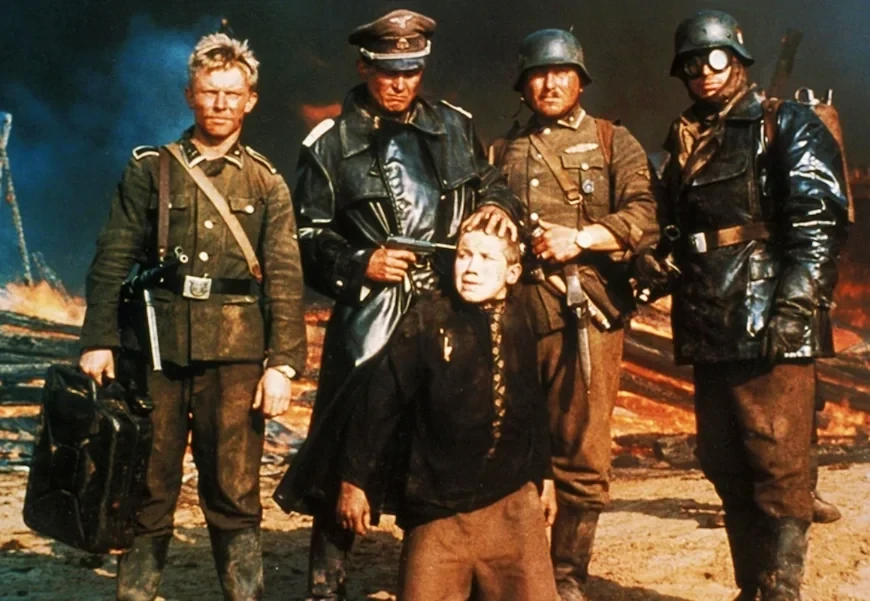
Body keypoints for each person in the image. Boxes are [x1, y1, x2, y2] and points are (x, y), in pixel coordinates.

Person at [271, 9, 522, 601]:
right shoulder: (330, 144)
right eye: (389, 70)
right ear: (365, 67)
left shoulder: (456, 126)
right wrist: (362, 262)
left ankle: (440, 579)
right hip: (372, 317)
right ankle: (325, 587)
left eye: (411, 70)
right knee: (347, 450)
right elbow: (303, 237)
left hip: (449, 308)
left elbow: (492, 184)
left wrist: (499, 207)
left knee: (445, 443)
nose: (400, 83)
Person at [78, 33, 306, 601]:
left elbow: (284, 277)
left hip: (236, 359)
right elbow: (112, 257)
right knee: (148, 485)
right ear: (189, 95)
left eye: (232, 93)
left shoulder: (265, 181)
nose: (220, 104)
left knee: (234, 490)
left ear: (251, 100)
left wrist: (283, 364)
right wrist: (99, 339)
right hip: (156, 352)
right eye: (209, 91)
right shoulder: (151, 170)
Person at [644, 10, 849, 601]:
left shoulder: (784, 123)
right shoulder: (684, 138)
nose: (704, 72)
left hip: (769, 318)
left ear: (737, 60)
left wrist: (796, 309)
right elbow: (672, 228)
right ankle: (751, 588)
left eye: (715, 58)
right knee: (725, 464)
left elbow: (817, 224)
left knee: (778, 467)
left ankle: (781, 591)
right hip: (709, 321)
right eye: (691, 64)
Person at [493, 28, 657, 601]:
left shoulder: (614, 141)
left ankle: (566, 578)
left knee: (582, 452)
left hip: (585, 314)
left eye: (562, 72)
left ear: (581, 81)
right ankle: (517, 570)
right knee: (509, 442)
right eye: (539, 74)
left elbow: (645, 216)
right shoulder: (500, 151)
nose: (550, 83)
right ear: (523, 85)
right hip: (513, 317)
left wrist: (581, 238)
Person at [337, 226, 558, 601]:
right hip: (438, 511)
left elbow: (533, 405)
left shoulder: (522, 320)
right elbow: (380, 402)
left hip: (511, 505)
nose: (471, 268)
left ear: (512, 273)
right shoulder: (427, 318)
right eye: (463, 255)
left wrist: (545, 475)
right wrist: (353, 481)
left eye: (486, 258)